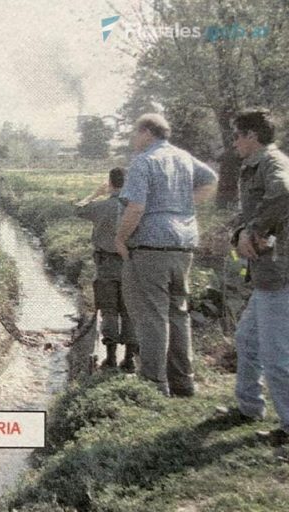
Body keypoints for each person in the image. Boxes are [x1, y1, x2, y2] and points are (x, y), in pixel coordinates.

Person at [115, 113, 218, 397]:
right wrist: (183, 205)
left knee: (152, 315)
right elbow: (211, 180)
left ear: (147, 132)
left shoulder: (143, 162)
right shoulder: (183, 157)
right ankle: (183, 382)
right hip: (183, 244)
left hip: (151, 247)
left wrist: (120, 238)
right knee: (178, 313)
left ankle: (154, 384)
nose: (133, 139)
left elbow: (135, 208)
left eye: (135, 132)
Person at [223, 108, 289, 446]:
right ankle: (249, 408)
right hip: (266, 273)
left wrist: (255, 229)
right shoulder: (254, 167)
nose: (233, 142)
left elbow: (283, 193)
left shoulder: (272, 162)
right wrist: (243, 232)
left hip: (278, 273)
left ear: (252, 135)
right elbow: (248, 211)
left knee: (275, 355)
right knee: (247, 340)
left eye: (236, 135)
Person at [75, 167, 137, 371]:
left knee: (109, 311)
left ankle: (110, 358)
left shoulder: (101, 207)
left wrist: (95, 193)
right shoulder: (137, 208)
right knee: (129, 311)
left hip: (107, 265)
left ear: (110, 183)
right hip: (131, 263)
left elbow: (78, 208)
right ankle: (129, 360)